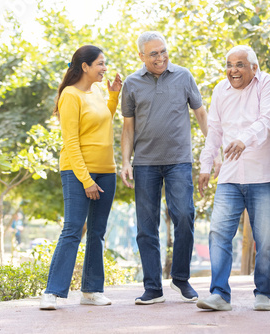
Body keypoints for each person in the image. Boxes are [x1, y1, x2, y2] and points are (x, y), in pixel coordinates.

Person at [120, 31, 209, 305]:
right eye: (154, 53)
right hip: (145, 163)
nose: (160, 58)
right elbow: (128, 126)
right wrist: (125, 161)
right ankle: (152, 288)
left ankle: (181, 279)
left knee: (184, 215)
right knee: (147, 226)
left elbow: (201, 113)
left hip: (179, 161)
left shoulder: (184, 76)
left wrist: (213, 147)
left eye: (163, 51)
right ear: (141, 56)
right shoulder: (132, 83)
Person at [196, 45, 270, 312]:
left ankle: (264, 293)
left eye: (240, 65)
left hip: (265, 175)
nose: (233, 70)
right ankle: (220, 294)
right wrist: (205, 164)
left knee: (266, 237)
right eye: (229, 64)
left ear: (254, 68)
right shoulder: (220, 91)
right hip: (230, 175)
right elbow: (214, 131)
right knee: (218, 232)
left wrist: (243, 140)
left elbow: (268, 121)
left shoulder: (269, 85)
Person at [40, 45, 122, 310]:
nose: (104, 68)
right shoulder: (70, 95)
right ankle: (52, 292)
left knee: (97, 232)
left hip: (107, 170)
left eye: (104, 63)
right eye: (100, 64)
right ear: (85, 66)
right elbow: (71, 142)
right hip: (77, 172)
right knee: (73, 229)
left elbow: (103, 120)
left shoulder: (98, 91)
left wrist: (113, 97)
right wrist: (86, 179)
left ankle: (92, 289)